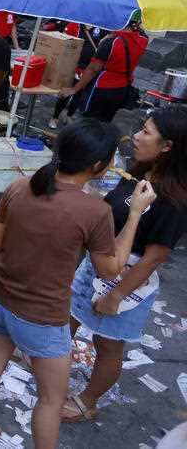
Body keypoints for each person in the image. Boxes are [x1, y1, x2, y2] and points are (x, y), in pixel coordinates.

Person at [0, 120, 155, 449]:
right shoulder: (96, 211)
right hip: (43, 318)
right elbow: (110, 271)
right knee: (51, 401)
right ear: (99, 165)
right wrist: (136, 214)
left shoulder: (19, 186)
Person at [63, 108, 187, 424]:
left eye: (145, 132)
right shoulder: (139, 170)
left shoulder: (174, 200)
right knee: (69, 318)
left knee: (107, 343)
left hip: (128, 280)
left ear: (167, 146)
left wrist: (116, 296)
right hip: (98, 263)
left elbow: (154, 257)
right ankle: (43, 358)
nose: (135, 136)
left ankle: (88, 401)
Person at [60, 16, 149, 123]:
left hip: (102, 87)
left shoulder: (111, 42)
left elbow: (93, 69)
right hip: (123, 87)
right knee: (106, 120)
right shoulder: (143, 39)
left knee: (88, 121)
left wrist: (75, 89)